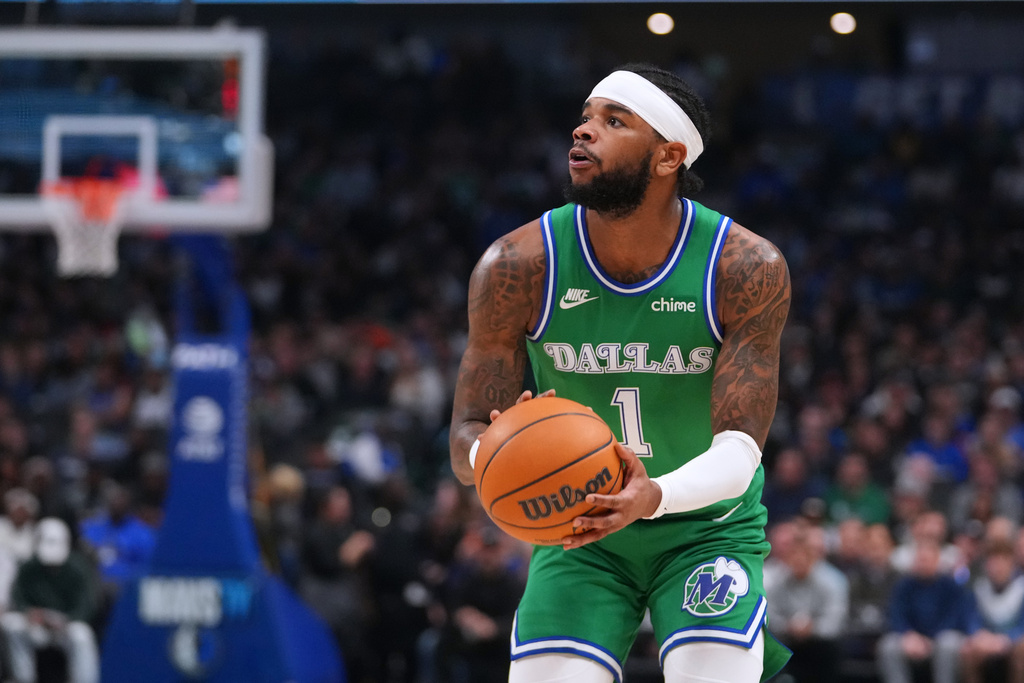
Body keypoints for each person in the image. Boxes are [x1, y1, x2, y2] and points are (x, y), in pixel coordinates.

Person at [449, 63, 792, 683]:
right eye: (584, 117)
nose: (583, 132)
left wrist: (652, 496)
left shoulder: (743, 265)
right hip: (579, 533)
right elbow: (467, 431)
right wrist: (494, 454)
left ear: (669, 156)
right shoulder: (515, 265)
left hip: (703, 529)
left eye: (613, 121)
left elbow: (741, 453)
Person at [0, 517, 99, 683]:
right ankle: (24, 678)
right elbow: (17, 598)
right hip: (36, 624)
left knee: (82, 635)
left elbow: (88, 605)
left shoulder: (78, 567)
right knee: (11, 624)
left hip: (66, 625)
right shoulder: (29, 566)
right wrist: (29, 613)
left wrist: (68, 620)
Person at [876, 539, 970, 683]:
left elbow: (954, 618)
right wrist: (908, 635)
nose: (923, 563)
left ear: (937, 560)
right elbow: (896, 614)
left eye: (927, 559)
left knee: (948, 643)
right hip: (912, 640)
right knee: (888, 645)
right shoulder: (904, 585)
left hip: (940, 638)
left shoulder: (950, 586)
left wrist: (929, 640)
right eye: (920, 559)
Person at [763, 526, 849, 683]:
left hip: (819, 644)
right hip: (786, 638)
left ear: (813, 557)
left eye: (804, 555)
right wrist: (788, 626)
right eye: (794, 555)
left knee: (831, 648)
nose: (799, 560)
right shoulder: (777, 582)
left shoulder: (832, 581)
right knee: (767, 644)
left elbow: (834, 622)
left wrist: (812, 628)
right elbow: (768, 615)